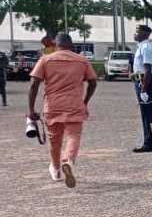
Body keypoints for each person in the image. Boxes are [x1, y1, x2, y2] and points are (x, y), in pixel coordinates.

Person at [26, 33, 98, 188]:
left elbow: (33, 85)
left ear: (56, 45)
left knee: (54, 140)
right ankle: (68, 161)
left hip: (52, 106)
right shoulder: (82, 60)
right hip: (74, 104)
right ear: (71, 45)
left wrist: (31, 110)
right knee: (73, 136)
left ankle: (56, 169)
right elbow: (93, 82)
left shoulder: (45, 59)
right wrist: (85, 102)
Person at [132, 24, 152, 153]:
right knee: (145, 114)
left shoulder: (146, 47)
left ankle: (149, 143)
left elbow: (147, 69)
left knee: (148, 114)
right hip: (141, 81)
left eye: (138, 32)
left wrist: (143, 89)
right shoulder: (141, 47)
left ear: (145, 34)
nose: (135, 34)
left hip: (144, 82)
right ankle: (148, 141)